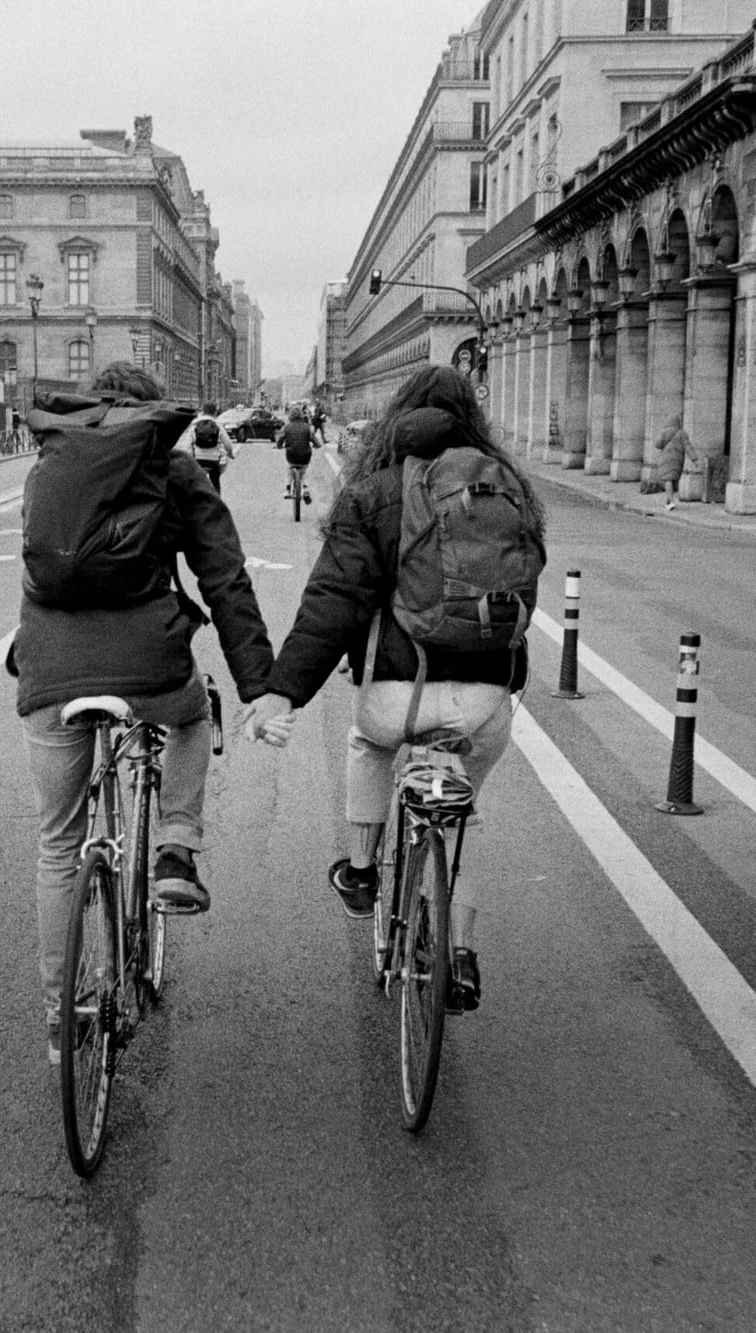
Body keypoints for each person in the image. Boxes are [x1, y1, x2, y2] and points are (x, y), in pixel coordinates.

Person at [243, 363, 548, 1013]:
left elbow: (334, 606)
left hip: (397, 694)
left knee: (367, 743)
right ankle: (461, 954)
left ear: (398, 419)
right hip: (486, 701)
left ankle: (358, 870)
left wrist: (283, 692)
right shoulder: (509, 489)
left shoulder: (376, 492)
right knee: (467, 810)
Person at [11, 362, 276, 1063]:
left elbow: (40, 563)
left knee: (58, 844)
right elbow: (224, 578)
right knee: (194, 716)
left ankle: (59, 1021)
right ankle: (173, 851)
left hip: (50, 662)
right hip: (146, 658)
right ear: (154, 412)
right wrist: (258, 685)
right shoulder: (175, 467)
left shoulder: (52, 464)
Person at [181, 401, 234, 491]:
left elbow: (187, 446)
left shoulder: (195, 426)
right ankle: (216, 500)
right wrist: (230, 454)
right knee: (215, 482)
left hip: (198, 460)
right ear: (215, 412)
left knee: (195, 483)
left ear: (202, 411)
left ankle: (196, 500)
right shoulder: (217, 426)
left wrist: (188, 461)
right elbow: (227, 444)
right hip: (213, 460)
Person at [277, 408, 316, 504]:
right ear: (301, 416)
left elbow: (280, 439)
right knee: (304, 471)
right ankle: (305, 487)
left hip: (291, 455)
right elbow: (315, 440)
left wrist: (278, 446)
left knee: (289, 469)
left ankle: (287, 489)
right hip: (305, 455)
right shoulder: (307, 427)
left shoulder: (286, 427)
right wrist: (316, 445)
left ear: (290, 416)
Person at [651, 413, 687, 511]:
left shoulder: (664, 432)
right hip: (678, 459)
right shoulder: (681, 433)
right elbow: (687, 446)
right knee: (673, 480)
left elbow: (657, 445)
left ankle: (671, 502)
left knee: (668, 480)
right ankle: (668, 500)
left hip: (666, 459)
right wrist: (694, 458)